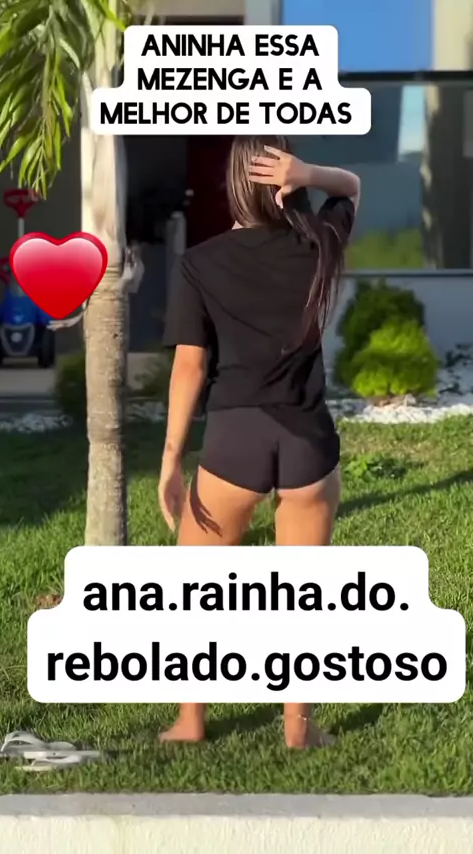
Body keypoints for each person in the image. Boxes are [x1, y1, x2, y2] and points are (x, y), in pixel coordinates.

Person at [158, 135, 360, 749]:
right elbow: (351, 186)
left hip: (235, 440)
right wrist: (310, 172)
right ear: (288, 184)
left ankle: (191, 721)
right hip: (308, 440)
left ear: (232, 188)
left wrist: (171, 460)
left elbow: (190, 367)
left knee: (196, 595)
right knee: (303, 598)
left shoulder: (200, 263)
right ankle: (299, 729)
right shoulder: (320, 243)